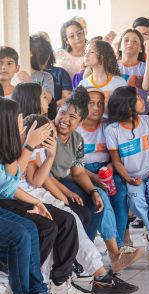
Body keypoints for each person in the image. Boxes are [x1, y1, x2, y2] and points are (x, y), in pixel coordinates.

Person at [0, 98, 88, 294]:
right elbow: (11, 182)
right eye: (18, 118)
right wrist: (29, 145)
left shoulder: (14, 140)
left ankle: (59, 282)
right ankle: (27, 285)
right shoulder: (15, 142)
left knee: (68, 219)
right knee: (44, 227)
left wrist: (49, 156)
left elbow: (11, 183)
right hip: (8, 199)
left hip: (15, 194)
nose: (21, 120)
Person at [50, 89, 143, 272]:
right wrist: (69, 192)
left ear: (79, 121)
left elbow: (77, 172)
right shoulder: (49, 134)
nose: (65, 119)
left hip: (71, 177)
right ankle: (110, 253)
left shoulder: (77, 139)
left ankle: (91, 256)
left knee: (99, 201)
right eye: (62, 112)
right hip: (54, 182)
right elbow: (47, 174)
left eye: (73, 117)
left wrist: (93, 191)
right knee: (90, 204)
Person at [105, 86, 149, 262]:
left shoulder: (147, 121)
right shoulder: (112, 130)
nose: (143, 100)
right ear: (128, 105)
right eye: (138, 98)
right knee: (135, 200)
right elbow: (116, 161)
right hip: (131, 176)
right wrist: (129, 179)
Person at [30, 34, 71, 118]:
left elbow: (66, 98)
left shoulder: (53, 75)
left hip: (48, 116)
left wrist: (52, 105)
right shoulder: (19, 73)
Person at [78, 40, 128, 108]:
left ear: (103, 56)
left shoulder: (120, 83)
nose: (86, 55)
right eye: (86, 52)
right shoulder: (83, 84)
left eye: (91, 52)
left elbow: (125, 109)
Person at [117, 28, 149, 105]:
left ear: (141, 49)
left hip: (141, 111)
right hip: (116, 110)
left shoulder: (146, 68)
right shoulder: (111, 66)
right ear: (119, 47)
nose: (130, 43)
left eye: (135, 41)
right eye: (126, 40)